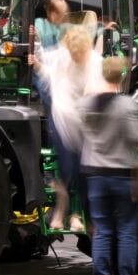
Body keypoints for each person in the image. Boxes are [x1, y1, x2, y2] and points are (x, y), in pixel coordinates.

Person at [79, 56, 138, 275]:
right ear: (122, 76)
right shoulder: (128, 106)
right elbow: (137, 138)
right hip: (121, 175)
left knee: (102, 231)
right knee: (127, 230)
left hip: (95, 176)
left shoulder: (87, 104)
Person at [33, 24, 103, 231]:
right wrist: (36, 59)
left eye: (79, 54)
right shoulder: (64, 56)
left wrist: (92, 93)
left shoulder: (94, 62)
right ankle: (61, 211)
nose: (76, 57)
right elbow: (48, 68)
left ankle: (78, 216)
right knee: (66, 167)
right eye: (73, 53)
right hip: (63, 115)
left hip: (84, 119)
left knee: (84, 170)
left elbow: (97, 87)